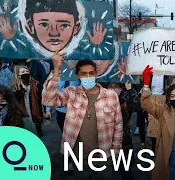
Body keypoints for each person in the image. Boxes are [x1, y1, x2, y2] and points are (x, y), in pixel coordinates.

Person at [42, 51, 123, 180]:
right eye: (84, 74)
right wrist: (56, 70)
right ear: (77, 76)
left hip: (105, 156)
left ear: (96, 74)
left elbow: (118, 126)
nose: (88, 77)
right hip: (79, 157)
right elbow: (48, 100)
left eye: (91, 74)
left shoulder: (111, 95)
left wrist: (115, 153)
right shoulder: (71, 93)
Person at [107, 81, 140, 180]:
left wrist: (130, 89)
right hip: (106, 138)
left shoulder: (125, 99)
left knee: (125, 170)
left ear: (121, 88)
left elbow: (137, 106)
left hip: (123, 139)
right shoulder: (101, 98)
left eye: (116, 86)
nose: (113, 89)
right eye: (110, 86)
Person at [11, 65, 44, 137]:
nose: (25, 73)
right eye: (23, 72)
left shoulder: (35, 84)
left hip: (34, 116)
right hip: (23, 118)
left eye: (27, 71)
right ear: (18, 75)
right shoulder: (15, 89)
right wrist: (21, 89)